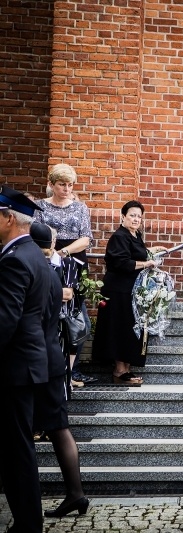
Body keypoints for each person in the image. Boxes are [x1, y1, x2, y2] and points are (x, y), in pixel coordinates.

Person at [29, 222, 89, 519]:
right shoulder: (53, 272)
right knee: (57, 427)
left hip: (40, 358)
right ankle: (75, 494)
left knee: (54, 427)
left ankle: (75, 494)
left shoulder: (37, 271)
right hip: (52, 356)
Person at [0, 185, 50, 533]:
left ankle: (28, 524)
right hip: (26, 364)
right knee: (16, 448)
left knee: (16, 450)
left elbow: (6, 319)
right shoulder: (34, 254)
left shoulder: (16, 259)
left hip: (15, 367)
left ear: (8, 219)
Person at [35, 163, 96, 387]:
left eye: (70, 185)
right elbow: (35, 235)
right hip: (46, 261)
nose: (67, 189)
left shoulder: (80, 207)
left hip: (74, 261)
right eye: (62, 184)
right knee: (49, 314)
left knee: (76, 318)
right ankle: (49, 370)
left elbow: (86, 238)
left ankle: (70, 371)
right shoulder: (40, 206)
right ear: (51, 184)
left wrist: (62, 253)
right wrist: (51, 254)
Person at [92, 200, 164, 386]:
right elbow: (121, 262)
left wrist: (152, 251)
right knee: (120, 328)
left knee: (130, 328)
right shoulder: (119, 236)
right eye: (132, 215)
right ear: (123, 216)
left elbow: (135, 253)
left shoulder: (135, 235)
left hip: (130, 291)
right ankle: (119, 371)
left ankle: (127, 368)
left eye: (139, 216)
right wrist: (146, 263)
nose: (136, 219)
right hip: (118, 290)